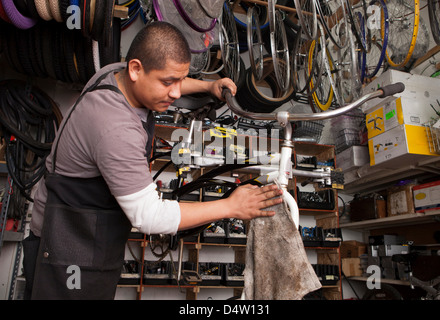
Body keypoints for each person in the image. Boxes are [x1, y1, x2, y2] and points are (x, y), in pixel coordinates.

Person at [23, 21, 282, 300]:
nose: (175, 93)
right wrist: (231, 206)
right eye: (168, 83)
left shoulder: (113, 73)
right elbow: (149, 216)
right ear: (135, 69)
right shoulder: (115, 127)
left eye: (179, 81)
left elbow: (165, 76)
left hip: (83, 232)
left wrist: (208, 86)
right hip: (65, 248)